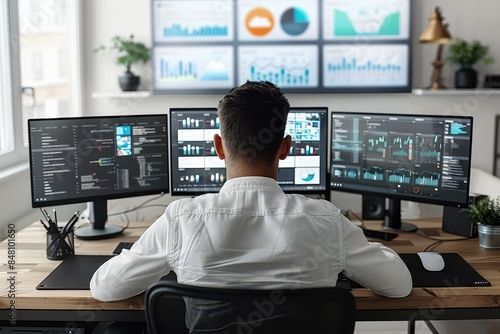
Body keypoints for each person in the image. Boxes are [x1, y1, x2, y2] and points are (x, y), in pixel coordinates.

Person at [91, 80, 412, 308]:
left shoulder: (181, 220)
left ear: (218, 147)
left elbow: (105, 289)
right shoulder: (327, 222)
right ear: (286, 148)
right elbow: (399, 286)